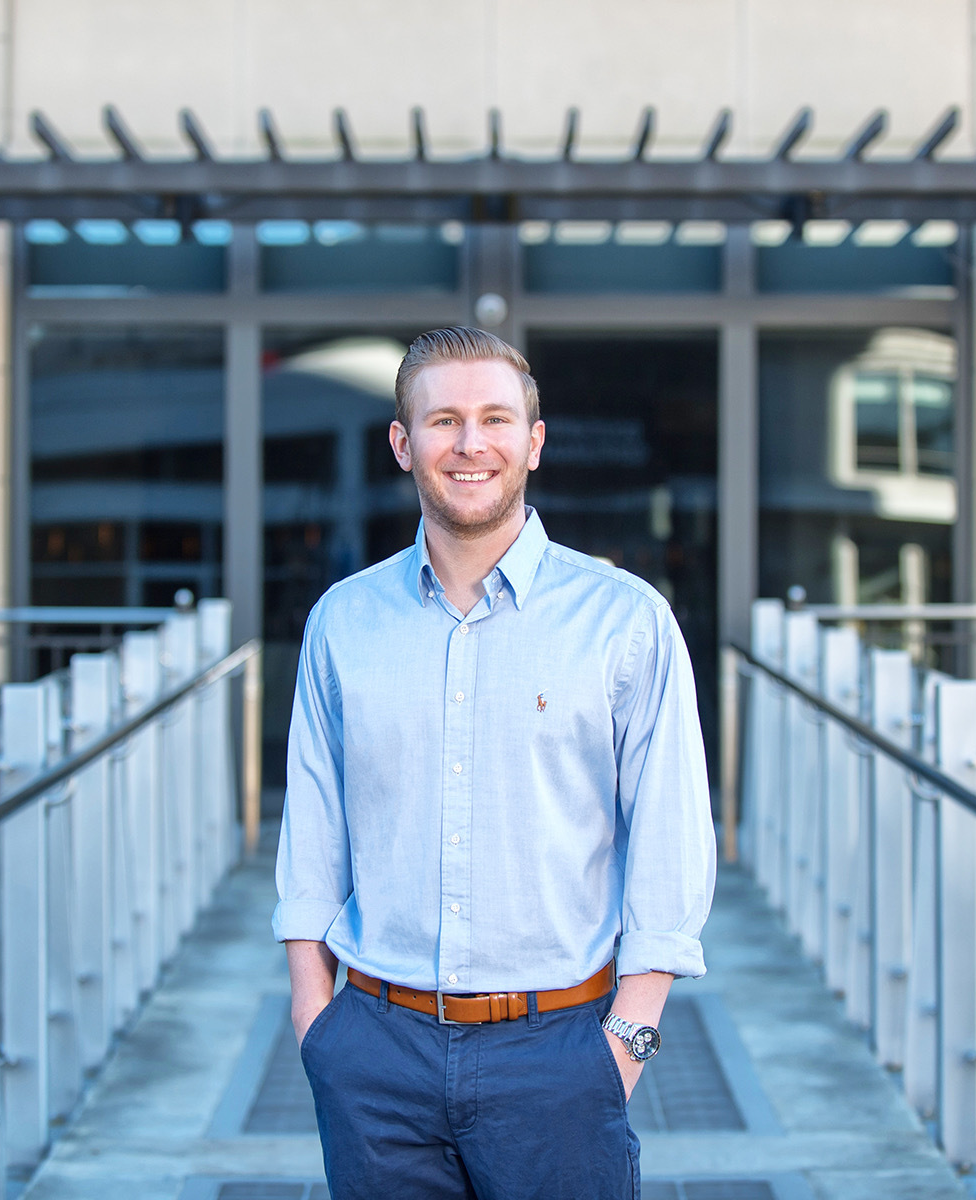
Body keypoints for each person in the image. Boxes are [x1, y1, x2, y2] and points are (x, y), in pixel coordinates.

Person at [272, 326, 716, 1199]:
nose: (470, 443)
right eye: (443, 420)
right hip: (375, 1050)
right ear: (403, 444)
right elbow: (312, 828)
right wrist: (315, 1018)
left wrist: (627, 1040)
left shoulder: (625, 622)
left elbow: (671, 838)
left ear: (534, 441)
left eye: (495, 419)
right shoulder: (343, 622)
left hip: (561, 1052)